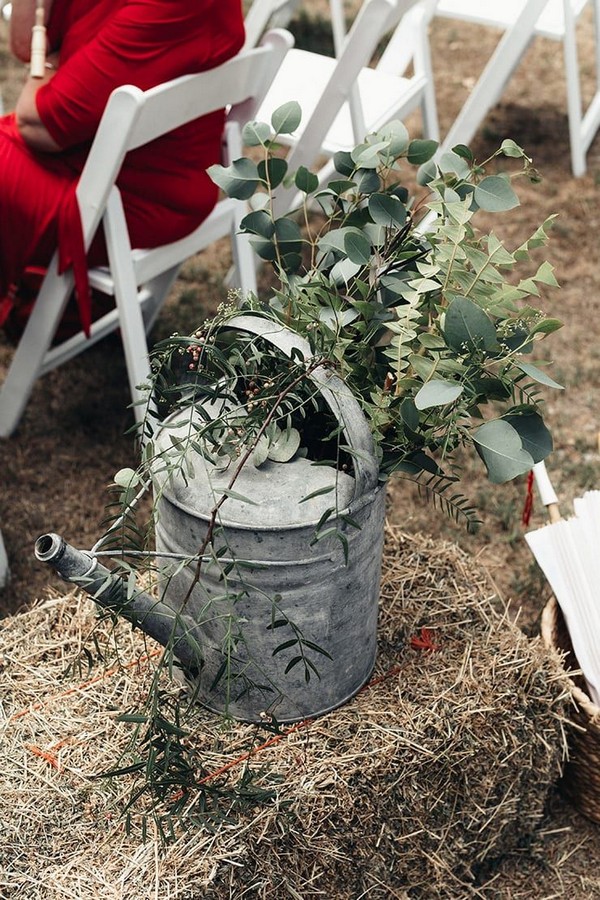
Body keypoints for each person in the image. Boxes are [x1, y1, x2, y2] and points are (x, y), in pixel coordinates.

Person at [0, 0, 245, 338]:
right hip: (93, 154)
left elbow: (36, 124)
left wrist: (51, 70)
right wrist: (50, 68)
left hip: (137, 195)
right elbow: (28, 46)